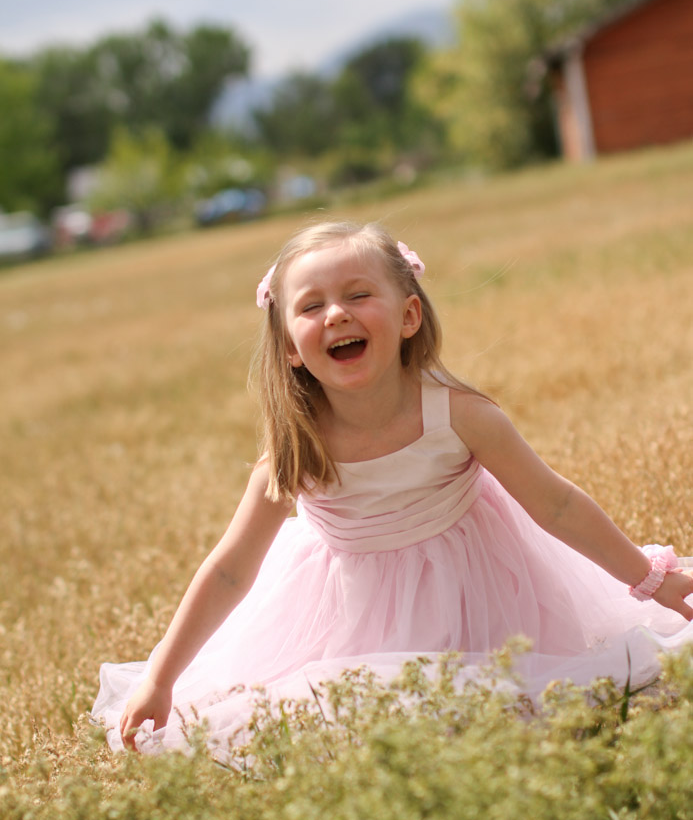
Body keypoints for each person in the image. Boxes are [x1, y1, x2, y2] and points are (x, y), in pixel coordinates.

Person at [91, 220, 693, 761]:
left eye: (358, 295)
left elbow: (556, 505)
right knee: (350, 730)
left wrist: (647, 575)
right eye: (312, 306)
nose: (336, 315)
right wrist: (162, 677)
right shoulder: (295, 453)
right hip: (351, 613)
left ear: (409, 316)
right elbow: (228, 571)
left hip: (479, 590)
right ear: (288, 348)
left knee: (518, 709)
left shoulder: (462, 417)